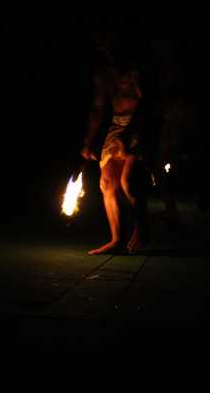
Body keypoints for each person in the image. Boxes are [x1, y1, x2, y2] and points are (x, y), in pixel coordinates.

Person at [81, 32, 149, 255]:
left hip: (141, 122)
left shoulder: (134, 69)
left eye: (109, 45)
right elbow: (98, 108)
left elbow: (147, 101)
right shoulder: (102, 72)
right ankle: (117, 240)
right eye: (101, 47)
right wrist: (88, 142)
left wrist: (130, 133)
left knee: (128, 182)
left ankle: (142, 228)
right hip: (117, 125)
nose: (106, 51)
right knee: (107, 183)